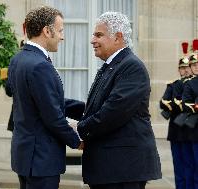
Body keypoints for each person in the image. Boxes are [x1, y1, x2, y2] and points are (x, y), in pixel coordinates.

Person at [77, 11, 162, 189]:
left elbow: (113, 112)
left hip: (122, 169)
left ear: (118, 37)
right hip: (111, 169)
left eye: (99, 35)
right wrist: (59, 104)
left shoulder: (131, 67)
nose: (92, 40)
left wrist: (79, 130)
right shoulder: (112, 66)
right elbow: (95, 108)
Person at [5, 6, 83, 189]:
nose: (62, 37)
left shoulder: (19, 59)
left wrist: (88, 108)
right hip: (41, 159)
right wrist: (77, 141)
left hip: (26, 156)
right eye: (60, 30)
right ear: (47, 31)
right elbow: (53, 117)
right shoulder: (40, 65)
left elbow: (43, 102)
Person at [160, 42, 193, 189]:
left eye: (187, 68)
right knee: (178, 165)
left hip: (190, 130)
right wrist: (178, 105)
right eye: (182, 68)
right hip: (175, 129)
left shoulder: (192, 85)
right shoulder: (173, 85)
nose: (185, 71)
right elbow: (163, 103)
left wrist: (177, 104)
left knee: (190, 165)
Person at [181, 39, 198, 189]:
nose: (196, 67)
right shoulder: (190, 84)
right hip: (196, 130)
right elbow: (185, 103)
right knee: (195, 166)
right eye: (194, 65)